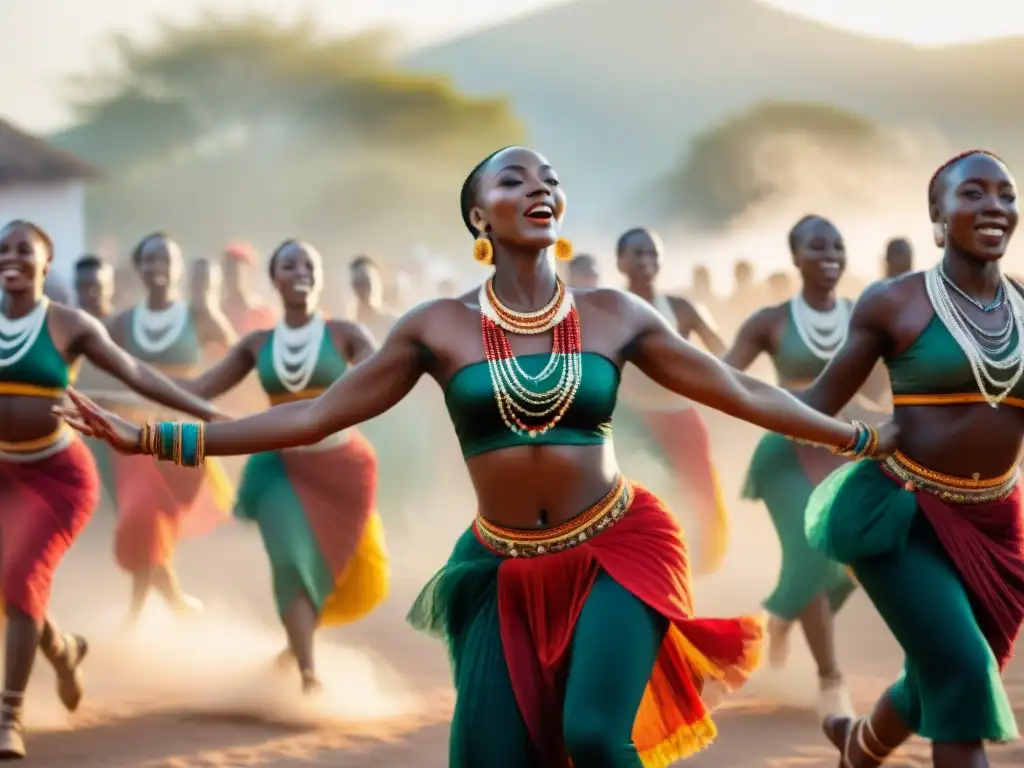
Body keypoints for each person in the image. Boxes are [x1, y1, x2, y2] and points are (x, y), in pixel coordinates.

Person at [61, 146, 895, 767]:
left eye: (550, 181)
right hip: (500, 567)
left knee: (597, 738)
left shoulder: (614, 313)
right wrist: (159, 437)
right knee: (489, 756)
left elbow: (743, 394)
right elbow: (315, 416)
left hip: (617, 547)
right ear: (478, 217)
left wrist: (857, 436)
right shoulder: (436, 325)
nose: (539, 190)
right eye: (513, 181)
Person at [795, 151, 1023, 768]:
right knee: (961, 669)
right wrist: (868, 438)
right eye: (973, 194)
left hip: (997, 524)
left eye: (1005, 193)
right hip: (903, 517)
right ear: (937, 214)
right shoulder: (895, 303)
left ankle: (857, 750)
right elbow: (817, 408)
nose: (995, 207)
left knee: (938, 671)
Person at [0, 219, 223, 759]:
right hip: (3, 474)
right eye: (3, 249)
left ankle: (8, 715)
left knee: (21, 575)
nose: (11, 257)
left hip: (58, 477)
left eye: (24, 250)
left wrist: (211, 416)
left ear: (46, 264)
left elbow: (137, 375)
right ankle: (63, 650)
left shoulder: (69, 325)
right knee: (10, 588)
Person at [174, 239, 387, 691]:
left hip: (342, 469)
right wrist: (131, 382)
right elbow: (200, 389)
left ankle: (295, 646)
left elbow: (384, 372)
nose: (300, 272)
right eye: (289, 265)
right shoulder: (257, 343)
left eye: (308, 264)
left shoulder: (346, 334)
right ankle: (310, 676)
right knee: (290, 557)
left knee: (332, 570)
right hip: (280, 468)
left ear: (320, 276)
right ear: (274, 279)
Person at [723, 214, 862, 718]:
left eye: (838, 245)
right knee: (811, 557)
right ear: (795, 257)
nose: (830, 254)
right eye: (817, 245)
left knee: (849, 567)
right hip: (783, 456)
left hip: (842, 453)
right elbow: (722, 376)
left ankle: (778, 620)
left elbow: (888, 384)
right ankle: (831, 680)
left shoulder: (864, 315)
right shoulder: (770, 321)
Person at [105, 233, 237, 624]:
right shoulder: (121, 324)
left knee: (156, 525)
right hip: (133, 436)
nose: (157, 267)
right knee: (141, 513)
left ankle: (148, 607)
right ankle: (159, 605)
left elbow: (238, 363)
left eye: (165, 260)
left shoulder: (200, 317)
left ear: (180, 267)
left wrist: (204, 397)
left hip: (183, 439)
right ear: (138, 267)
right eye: (149, 260)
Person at [614, 227, 730, 575]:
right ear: (621, 262)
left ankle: (692, 567)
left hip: (679, 415)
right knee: (642, 492)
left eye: (653, 254)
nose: (647, 261)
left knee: (700, 494)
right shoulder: (611, 308)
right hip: (631, 420)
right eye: (638, 254)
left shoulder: (682, 309)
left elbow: (725, 355)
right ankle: (643, 562)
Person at [221, 240, 276, 335]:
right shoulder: (221, 312)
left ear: (249, 273)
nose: (231, 278)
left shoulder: (263, 312)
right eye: (228, 271)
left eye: (236, 272)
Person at [349, 255, 397, 342]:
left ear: (378, 284)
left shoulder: (394, 324)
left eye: (367, 282)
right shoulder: (348, 330)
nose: (364, 290)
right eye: (358, 284)